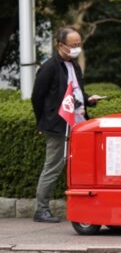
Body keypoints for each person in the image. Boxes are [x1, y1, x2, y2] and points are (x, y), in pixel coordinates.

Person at [31, 26, 101, 223]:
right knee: (53, 166)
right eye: (73, 45)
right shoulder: (49, 67)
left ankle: (84, 206)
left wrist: (88, 100)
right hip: (58, 126)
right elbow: (38, 98)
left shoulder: (75, 65)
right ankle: (41, 209)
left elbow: (76, 94)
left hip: (79, 124)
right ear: (61, 45)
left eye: (79, 44)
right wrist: (42, 123)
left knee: (83, 166)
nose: (77, 48)